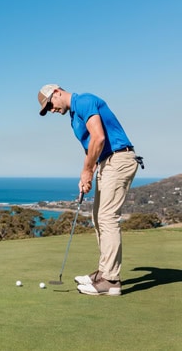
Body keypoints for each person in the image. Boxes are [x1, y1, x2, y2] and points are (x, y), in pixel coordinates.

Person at [37, 84, 141, 296]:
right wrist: (88, 175)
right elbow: (92, 149)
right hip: (105, 163)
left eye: (50, 104)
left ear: (57, 92)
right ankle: (104, 272)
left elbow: (99, 138)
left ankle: (111, 281)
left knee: (107, 217)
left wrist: (86, 170)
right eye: (47, 109)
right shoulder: (74, 118)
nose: (51, 110)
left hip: (119, 158)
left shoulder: (84, 101)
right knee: (97, 217)